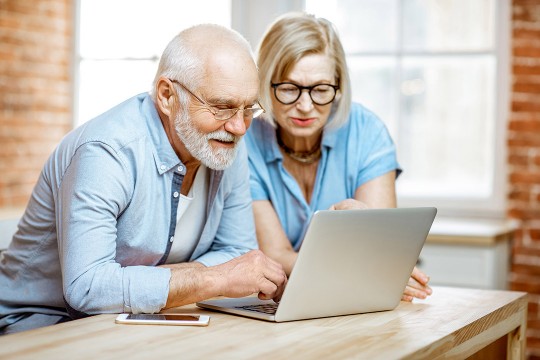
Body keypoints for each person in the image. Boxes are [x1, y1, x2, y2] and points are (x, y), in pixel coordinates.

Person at [0, 24, 287, 335]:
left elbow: (237, 252)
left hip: (139, 320)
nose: (239, 127)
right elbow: (88, 288)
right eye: (221, 107)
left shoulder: (225, 143)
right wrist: (212, 279)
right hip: (42, 324)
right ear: (167, 95)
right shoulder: (106, 151)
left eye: (248, 109)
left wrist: (138, 281)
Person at [245, 12, 431, 301]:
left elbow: (380, 246)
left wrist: (377, 261)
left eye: (320, 90)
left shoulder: (367, 131)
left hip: (354, 299)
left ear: (339, 87)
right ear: (265, 84)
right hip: (282, 298)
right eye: (289, 89)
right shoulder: (247, 143)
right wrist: (365, 268)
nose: (305, 105)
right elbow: (275, 256)